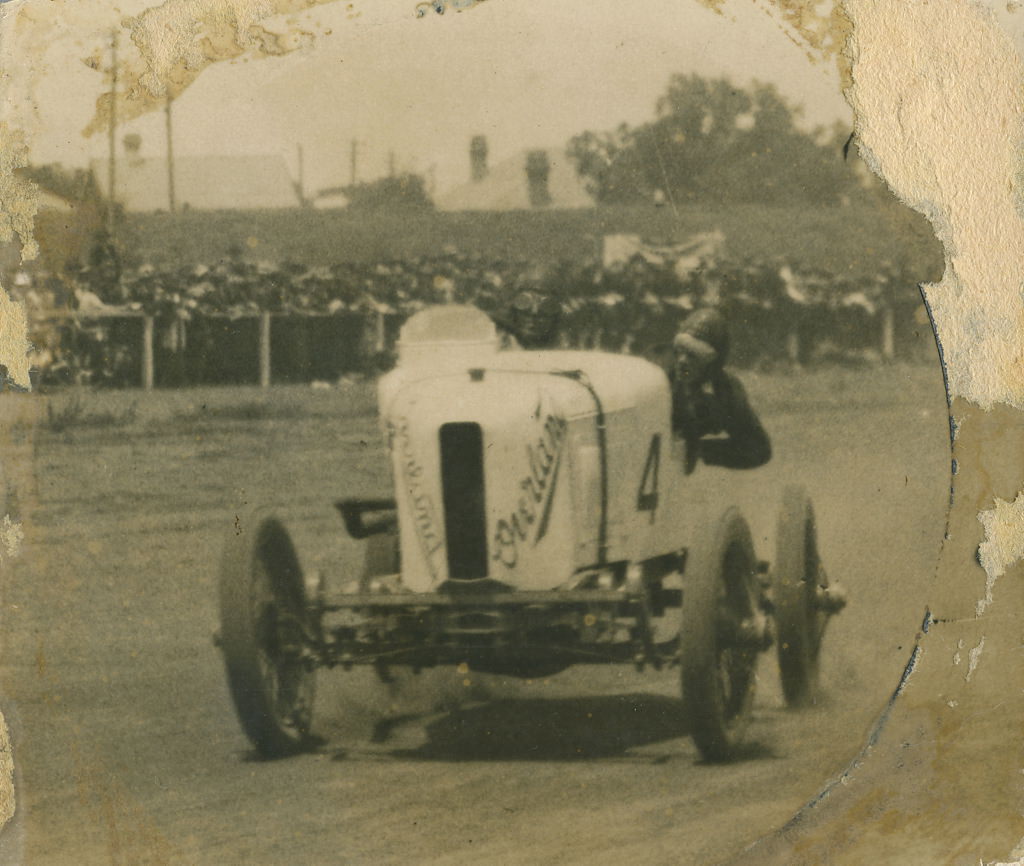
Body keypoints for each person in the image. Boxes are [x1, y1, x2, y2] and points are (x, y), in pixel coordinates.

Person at [670, 307, 771, 470]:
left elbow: (757, 449)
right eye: (679, 351)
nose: (682, 361)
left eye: (693, 355)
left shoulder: (725, 391)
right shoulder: (656, 373)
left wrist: (700, 449)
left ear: (711, 363)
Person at [497, 289, 563, 349]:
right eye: (526, 314)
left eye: (541, 316)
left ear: (553, 318)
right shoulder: (502, 342)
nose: (533, 321)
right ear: (515, 315)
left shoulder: (563, 343)